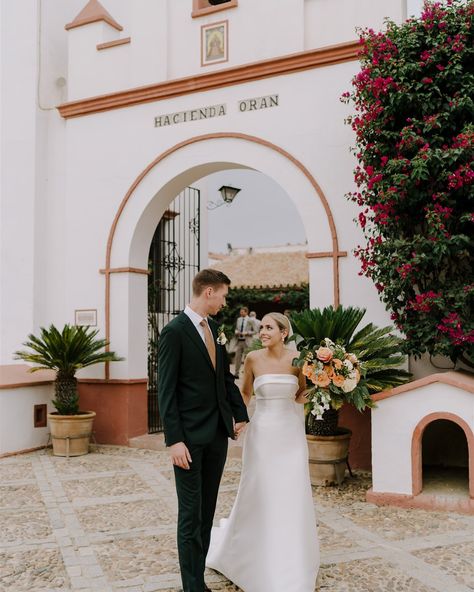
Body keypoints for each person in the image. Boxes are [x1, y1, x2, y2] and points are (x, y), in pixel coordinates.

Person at [206, 312, 320, 592]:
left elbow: (299, 395)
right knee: (261, 490)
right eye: (262, 328)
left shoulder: (298, 360)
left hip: (291, 436)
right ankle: (255, 553)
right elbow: (244, 394)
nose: (262, 332)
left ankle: (292, 557)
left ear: (284, 332)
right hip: (262, 435)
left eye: (269, 328)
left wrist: (326, 384)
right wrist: (237, 419)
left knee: (291, 491)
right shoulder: (253, 359)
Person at [158, 269, 249, 592]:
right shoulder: (174, 332)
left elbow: (223, 378)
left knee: (207, 510)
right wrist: (174, 440)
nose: (225, 302)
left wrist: (239, 413)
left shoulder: (214, 328)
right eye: (223, 295)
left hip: (216, 436)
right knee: (190, 515)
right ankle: (192, 587)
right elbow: (166, 391)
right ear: (208, 292)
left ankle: (198, 581)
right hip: (188, 441)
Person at [232, 306, 256, 377]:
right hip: (239, 341)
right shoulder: (238, 319)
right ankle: (236, 373)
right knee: (237, 357)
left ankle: (247, 374)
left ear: (246, 312)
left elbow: (255, 331)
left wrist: (247, 333)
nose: (240, 313)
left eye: (242, 312)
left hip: (247, 341)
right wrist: (236, 331)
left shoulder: (250, 320)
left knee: (247, 359)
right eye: (240, 311)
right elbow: (236, 328)